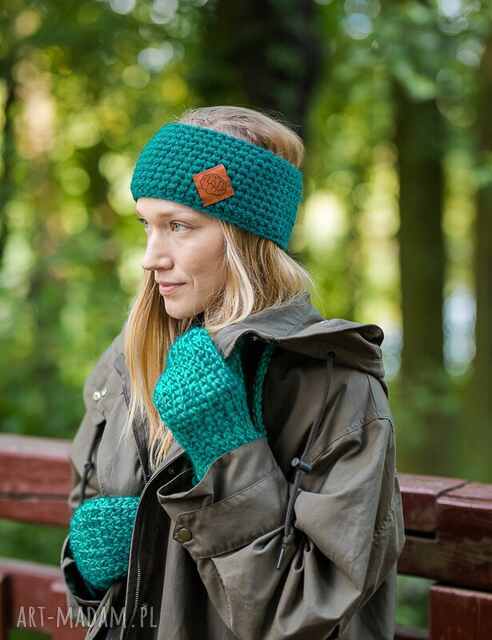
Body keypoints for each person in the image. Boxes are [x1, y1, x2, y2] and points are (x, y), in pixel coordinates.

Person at [59, 105, 406, 640]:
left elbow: (305, 614)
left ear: (245, 238)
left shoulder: (338, 388)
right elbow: (93, 593)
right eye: (146, 225)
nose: (151, 257)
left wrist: (226, 452)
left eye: (179, 226)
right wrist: (89, 568)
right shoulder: (128, 363)